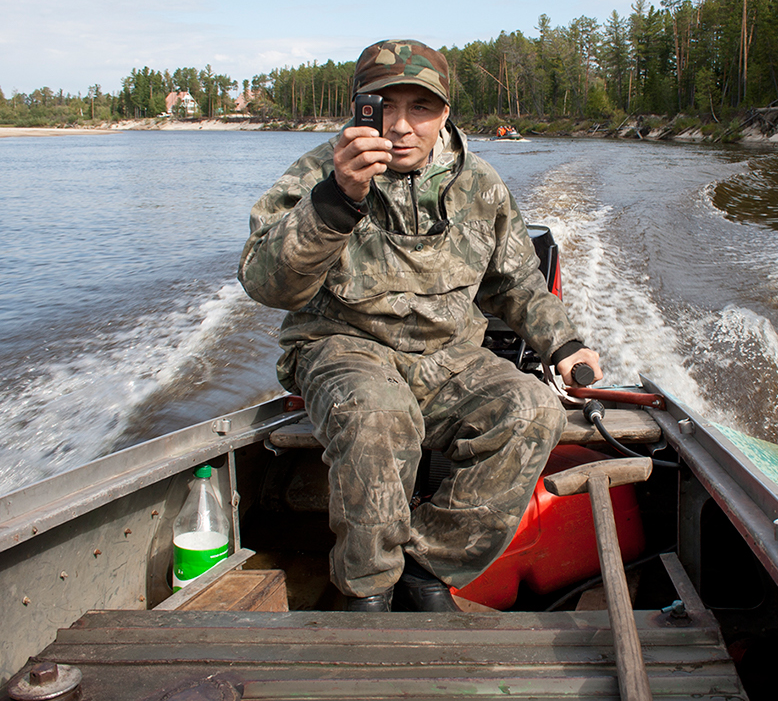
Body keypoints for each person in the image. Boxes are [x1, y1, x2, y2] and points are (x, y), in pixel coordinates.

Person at [238, 39, 601, 612]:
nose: (402, 126)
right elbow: (265, 285)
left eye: (421, 108)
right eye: (383, 105)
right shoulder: (318, 174)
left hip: (449, 354)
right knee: (377, 414)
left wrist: (565, 343)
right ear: (357, 107)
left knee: (533, 410)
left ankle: (427, 568)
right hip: (343, 344)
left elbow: (516, 284)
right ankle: (370, 587)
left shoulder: (480, 185)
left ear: (445, 113)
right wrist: (336, 199)